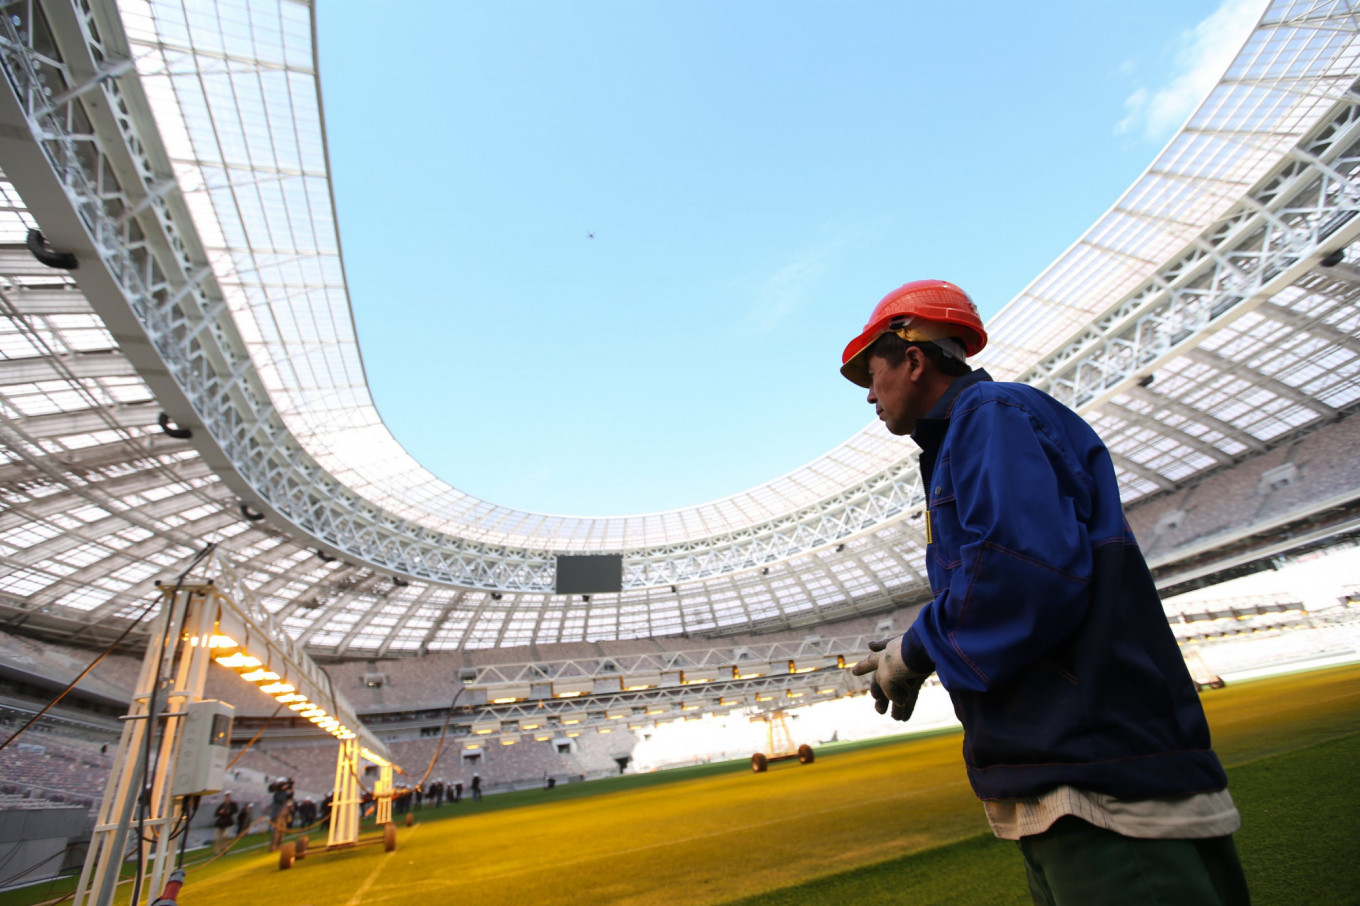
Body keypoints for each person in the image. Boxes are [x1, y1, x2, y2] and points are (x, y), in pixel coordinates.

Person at [841, 280, 1250, 906]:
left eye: (873, 372)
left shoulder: (989, 417)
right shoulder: (977, 432)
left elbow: (1019, 574)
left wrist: (912, 651)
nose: (868, 394)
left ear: (914, 358)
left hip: (1096, 787)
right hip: (1086, 774)